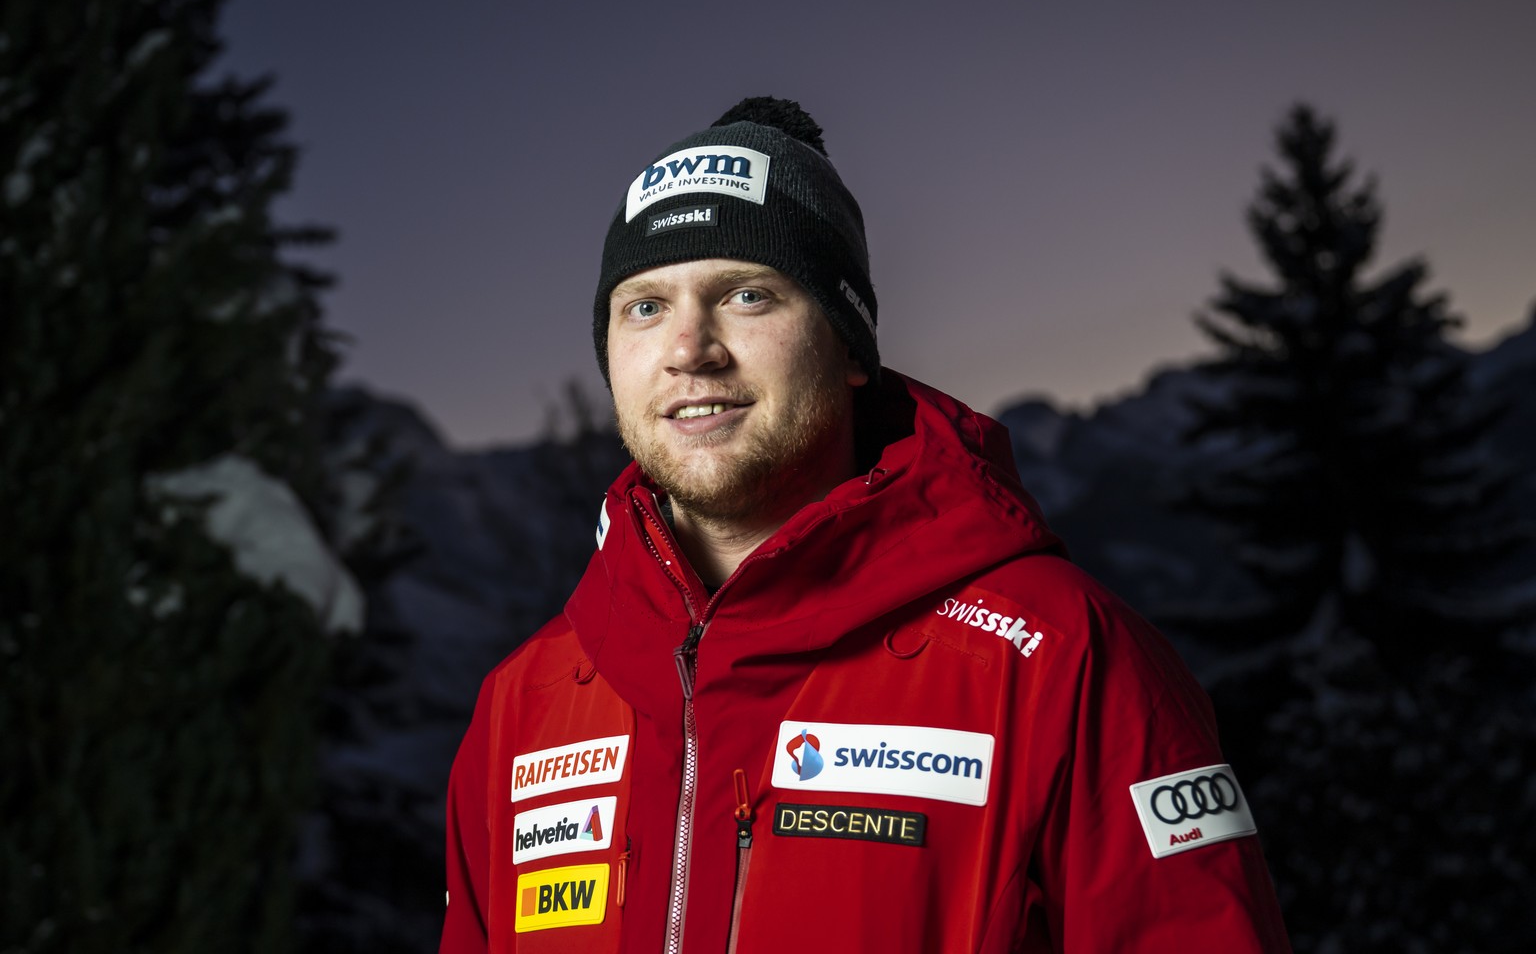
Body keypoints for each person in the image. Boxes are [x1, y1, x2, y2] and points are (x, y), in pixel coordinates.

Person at [440, 97, 1291, 953]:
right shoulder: (523, 706)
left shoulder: (1063, 661)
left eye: (746, 294)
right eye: (646, 307)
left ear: (849, 348)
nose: (689, 348)